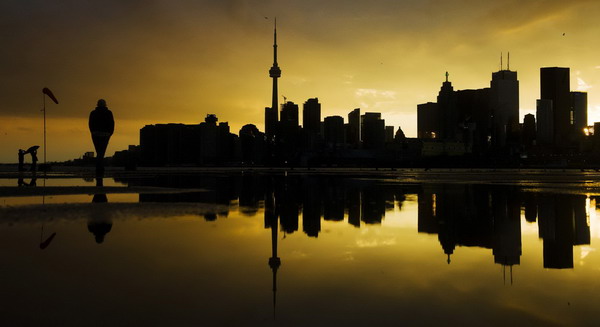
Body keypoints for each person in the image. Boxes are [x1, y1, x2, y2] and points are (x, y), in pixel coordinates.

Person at [88, 99, 115, 176]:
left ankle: (99, 167)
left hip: (96, 134)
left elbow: (90, 123)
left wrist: (92, 132)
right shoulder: (109, 113)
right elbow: (112, 123)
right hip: (105, 134)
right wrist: (110, 133)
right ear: (105, 104)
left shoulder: (93, 113)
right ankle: (100, 168)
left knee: (99, 151)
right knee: (101, 152)